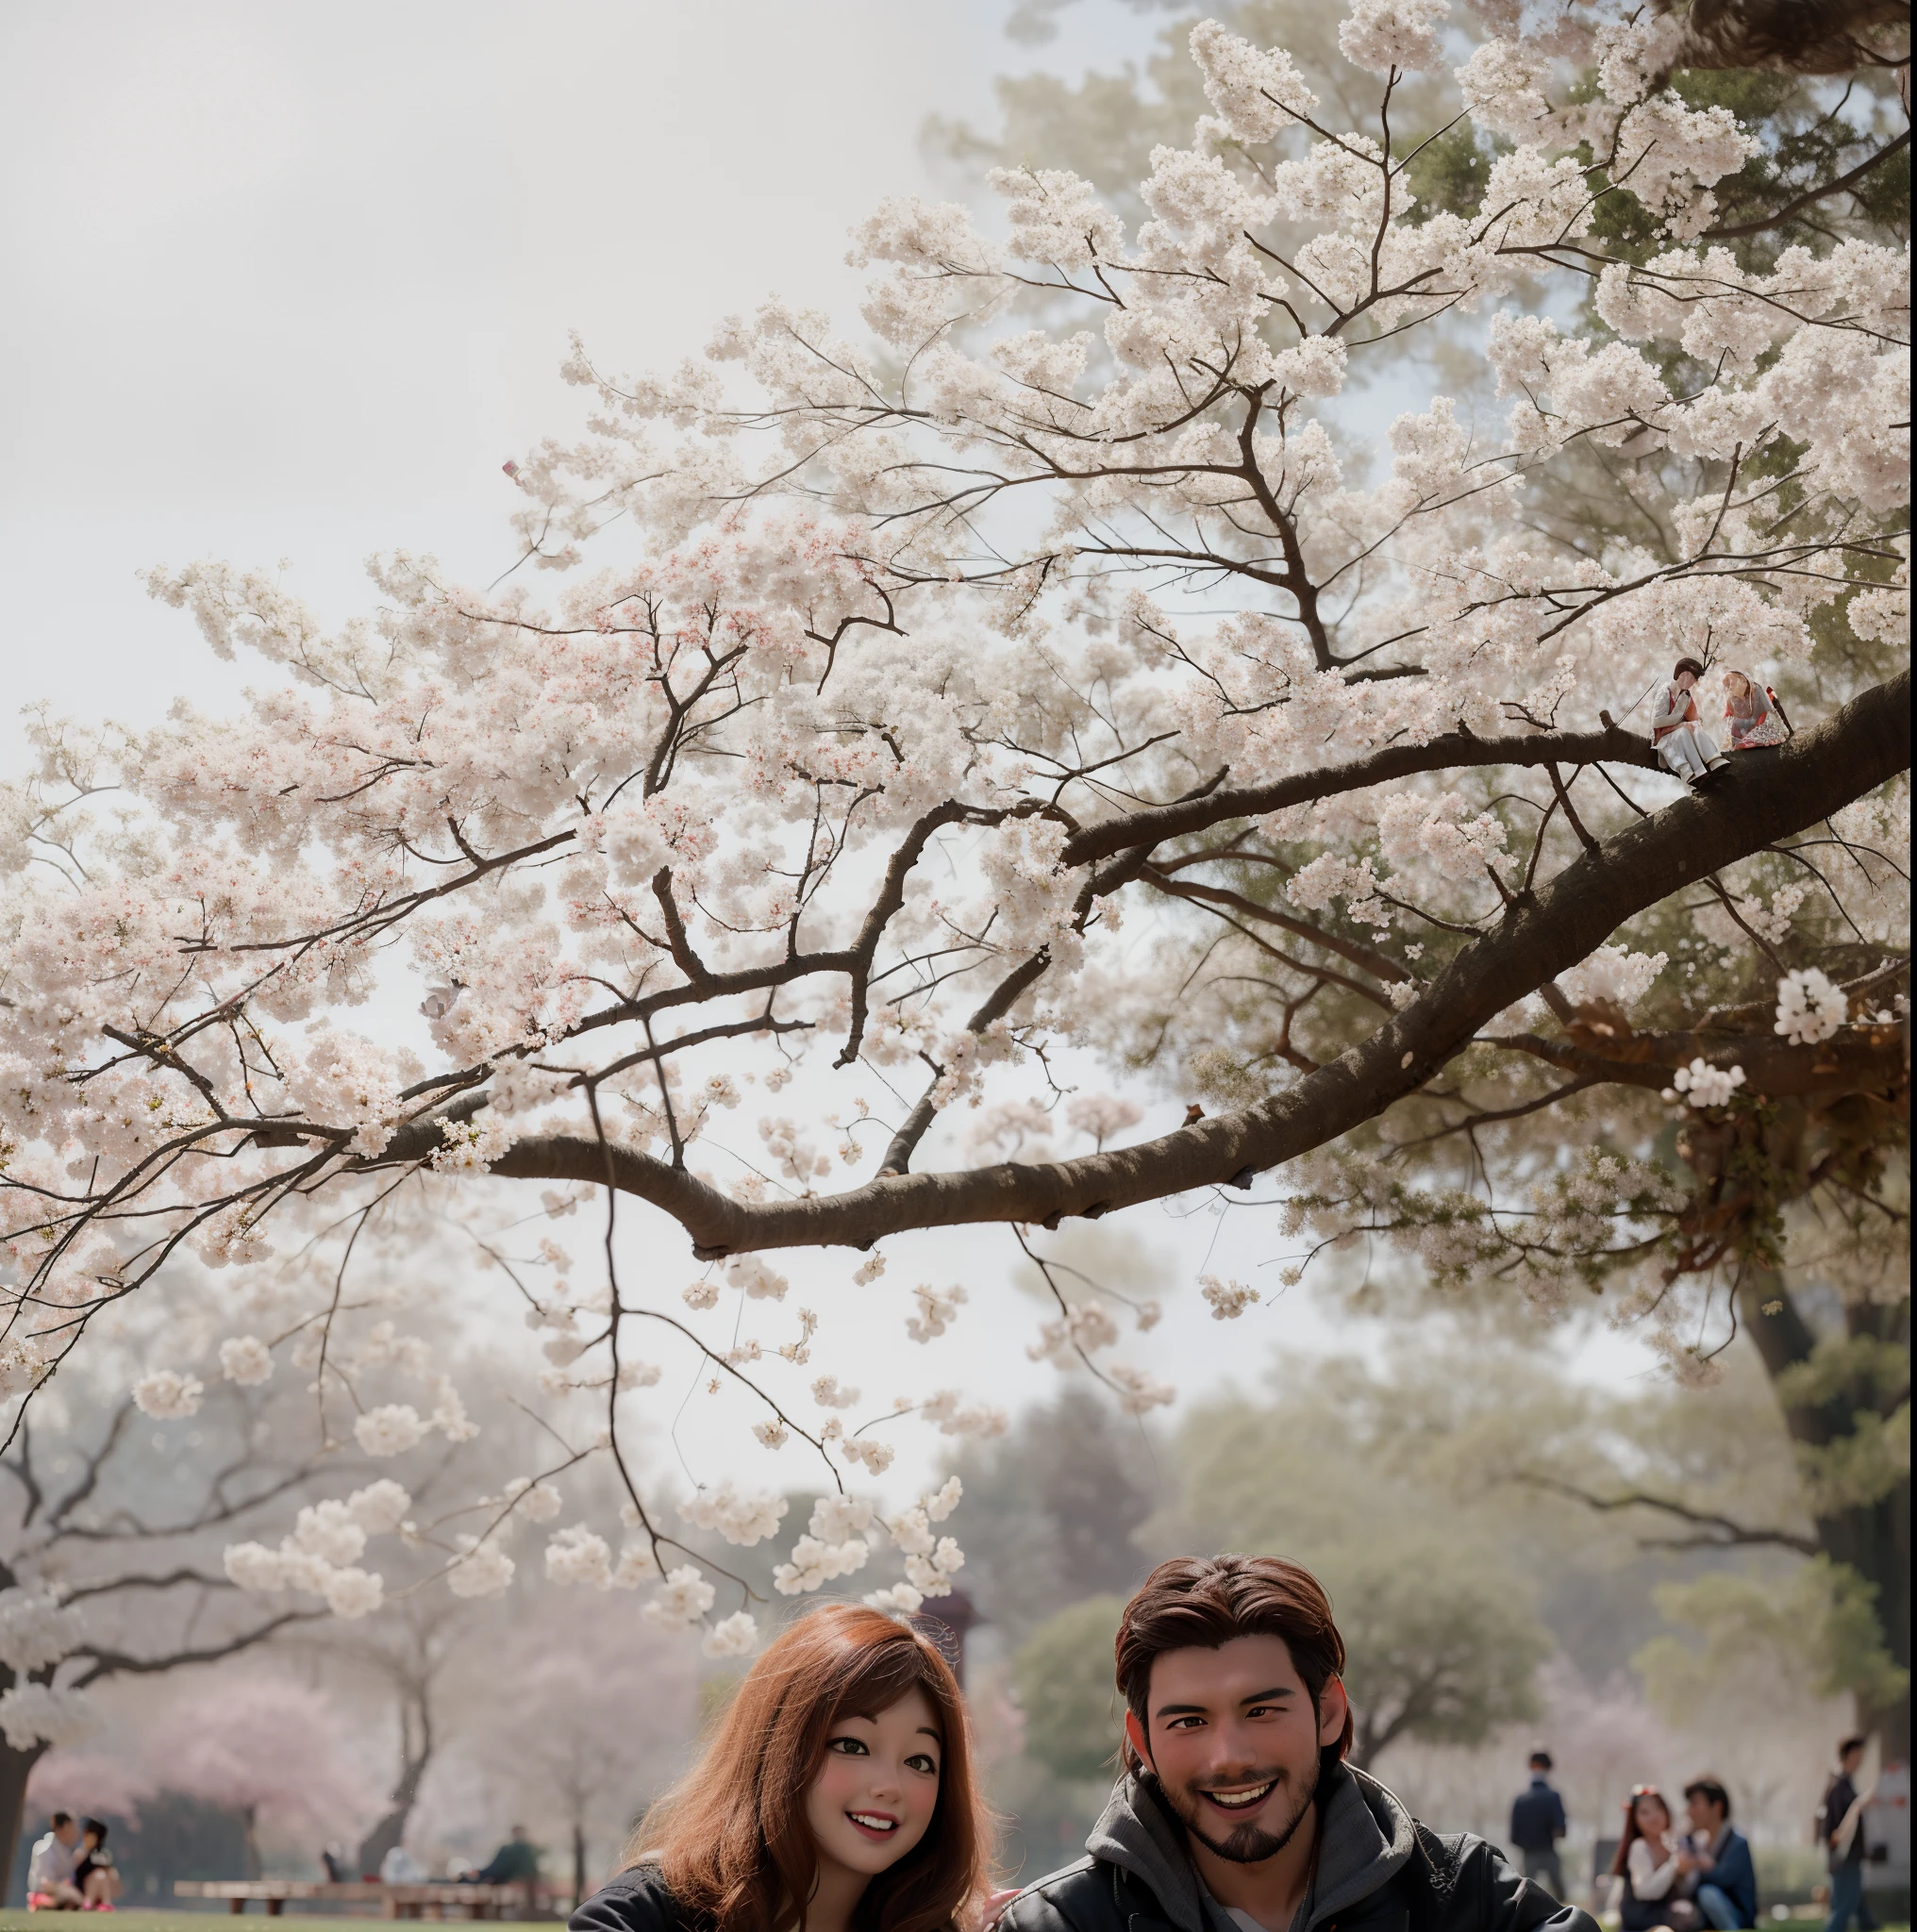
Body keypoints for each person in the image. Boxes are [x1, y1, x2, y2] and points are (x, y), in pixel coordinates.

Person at [996, 1555, 1596, 1932]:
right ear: (1143, 1741)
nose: (1229, 1756)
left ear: (1329, 1711)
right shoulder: (1062, 1922)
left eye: (1261, 1710)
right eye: (1189, 1722)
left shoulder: (1464, 1899)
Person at [571, 1603, 992, 1932]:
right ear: (780, 1748)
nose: (889, 1786)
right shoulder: (646, 1914)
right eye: (852, 1745)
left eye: (919, 1761)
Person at [1609, 1787, 1697, 1932]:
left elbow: (1685, 1890)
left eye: (1658, 1809)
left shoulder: (1673, 1846)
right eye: (1645, 1813)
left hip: (1667, 1920)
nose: (1654, 1816)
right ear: (1635, 1818)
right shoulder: (1639, 1847)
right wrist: (1674, 1866)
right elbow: (1645, 1891)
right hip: (1641, 1925)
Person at [1818, 1738, 1876, 1932]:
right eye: (1857, 1754)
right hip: (1843, 1858)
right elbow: (1834, 1832)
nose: (1861, 1759)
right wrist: (1858, 1806)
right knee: (1844, 1907)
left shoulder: (1846, 1784)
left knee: (1859, 1908)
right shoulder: (1837, 1786)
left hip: (1851, 1857)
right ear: (1848, 1755)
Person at [1682, 1779, 1757, 1931]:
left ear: (1716, 1807)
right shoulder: (1697, 1842)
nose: (1689, 1812)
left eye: (1695, 1804)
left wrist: (1700, 1866)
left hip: (1735, 1916)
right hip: (1705, 1917)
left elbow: (1723, 1878)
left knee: (1707, 1894)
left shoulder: (1737, 1843)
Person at [1652, 659, 1730, 786]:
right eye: (1692, 678)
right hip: (1664, 737)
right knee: (1683, 731)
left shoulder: (1685, 696)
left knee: (1694, 726)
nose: (1692, 683)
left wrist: (1695, 723)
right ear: (1683, 675)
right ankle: (1698, 771)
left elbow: (1694, 718)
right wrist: (1680, 724)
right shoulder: (1664, 692)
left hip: (1680, 733)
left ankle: (1714, 759)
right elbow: (1657, 722)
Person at [1511, 1754, 1569, 1899]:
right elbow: (1561, 1828)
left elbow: (1514, 1835)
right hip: (1548, 1849)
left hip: (1529, 1852)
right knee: (1559, 1890)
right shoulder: (1553, 1797)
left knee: (1523, 1892)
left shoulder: (1521, 1799)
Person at [26, 1811, 83, 1911]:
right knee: (74, 1896)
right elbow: (44, 1882)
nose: (78, 1832)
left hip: (59, 1889)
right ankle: (42, 1901)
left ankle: (51, 1904)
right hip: (47, 1889)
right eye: (74, 1827)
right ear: (65, 1827)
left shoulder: (64, 1849)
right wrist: (61, 1887)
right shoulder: (45, 1847)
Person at [1721, 672, 1788, 752]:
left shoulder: (1756, 689)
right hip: (1746, 735)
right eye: (1727, 686)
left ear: (1742, 679)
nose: (1729, 688)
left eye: (1731, 683)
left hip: (1764, 727)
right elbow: (1728, 721)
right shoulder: (1731, 701)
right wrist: (1729, 739)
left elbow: (1764, 716)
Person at [72, 1819, 121, 1911]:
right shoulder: (79, 1853)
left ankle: (104, 1902)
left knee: (103, 1874)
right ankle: (92, 1901)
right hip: (82, 1889)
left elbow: (111, 1874)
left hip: (101, 1890)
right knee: (99, 1875)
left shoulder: (104, 1854)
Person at [476, 1824, 542, 1888]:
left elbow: (497, 1868)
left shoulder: (511, 1849)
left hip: (512, 1876)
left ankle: (479, 1874)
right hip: (522, 1877)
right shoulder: (529, 1847)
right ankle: (480, 1874)